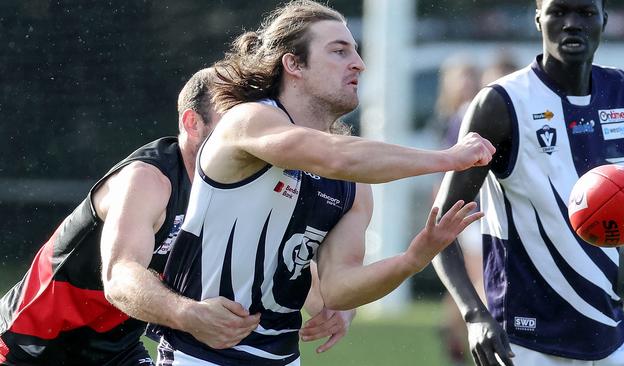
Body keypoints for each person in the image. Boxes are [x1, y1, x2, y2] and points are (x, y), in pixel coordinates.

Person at [153, 1, 496, 365]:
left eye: (356, 52)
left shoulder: (351, 181)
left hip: (283, 359)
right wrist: (448, 158)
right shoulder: (248, 120)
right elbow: (334, 156)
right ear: (294, 64)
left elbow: (337, 289)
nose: (359, 64)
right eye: (339, 51)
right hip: (198, 356)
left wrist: (413, 259)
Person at [0, 68, 352, 366]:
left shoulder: (242, 189)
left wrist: (334, 306)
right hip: (27, 346)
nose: (248, 133)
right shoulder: (148, 179)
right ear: (192, 123)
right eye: (235, 120)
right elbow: (120, 277)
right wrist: (190, 315)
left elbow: (286, 256)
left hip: (116, 352)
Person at [432, 0, 624, 365]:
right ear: (538, 19)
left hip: (609, 334)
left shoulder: (619, 89)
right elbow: (439, 228)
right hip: (523, 342)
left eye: (585, 13)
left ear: (604, 20)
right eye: (559, 12)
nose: (571, 24)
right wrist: (474, 315)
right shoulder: (501, 103)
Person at [432, 56, 484, 366]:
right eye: (460, 76)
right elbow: (447, 169)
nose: (466, 82)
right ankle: (469, 334)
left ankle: (452, 333)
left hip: (474, 210)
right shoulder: (456, 117)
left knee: (465, 280)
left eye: (471, 75)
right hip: (467, 212)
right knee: (478, 279)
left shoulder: (473, 112)